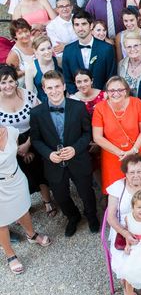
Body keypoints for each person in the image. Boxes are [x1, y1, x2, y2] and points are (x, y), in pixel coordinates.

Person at [30, 70, 98, 237]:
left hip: (78, 159)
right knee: (60, 196)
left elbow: (87, 133)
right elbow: (36, 140)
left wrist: (75, 148)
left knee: (86, 192)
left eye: (57, 86)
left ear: (64, 86)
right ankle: (73, 216)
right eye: (49, 87)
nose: (54, 91)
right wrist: (48, 154)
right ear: (44, 89)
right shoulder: (36, 113)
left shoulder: (79, 107)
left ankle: (91, 216)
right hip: (53, 162)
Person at [0, 65, 55, 216]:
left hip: (33, 136)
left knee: (40, 170)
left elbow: (40, 119)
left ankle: (47, 201)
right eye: (3, 82)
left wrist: (28, 144)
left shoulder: (28, 95)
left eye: (11, 81)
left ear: (16, 81)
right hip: (10, 143)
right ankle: (23, 205)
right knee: (20, 175)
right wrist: (19, 149)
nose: (8, 86)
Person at [0, 123, 52, 275]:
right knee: (2, 221)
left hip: (17, 180)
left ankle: (32, 235)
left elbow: (15, 151)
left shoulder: (11, 132)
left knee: (23, 210)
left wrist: (24, 153)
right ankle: (10, 254)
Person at [92, 76, 141, 192]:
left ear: (126, 90)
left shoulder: (136, 103)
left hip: (138, 151)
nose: (116, 93)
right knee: (118, 191)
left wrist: (133, 150)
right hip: (113, 155)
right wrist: (119, 153)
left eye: (120, 90)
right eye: (112, 90)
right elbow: (97, 137)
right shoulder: (100, 108)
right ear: (106, 92)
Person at [62, 11, 117, 93]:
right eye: (77, 25)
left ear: (91, 26)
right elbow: (68, 79)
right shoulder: (68, 50)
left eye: (84, 24)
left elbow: (111, 76)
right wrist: (77, 97)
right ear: (73, 27)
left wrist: (101, 96)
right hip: (78, 100)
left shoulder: (107, 49)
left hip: (102, 98)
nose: (80, 28)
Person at [117, 31, 141, 97]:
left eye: (136, 45)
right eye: (129, 47)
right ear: (125, 49)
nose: (132, 49)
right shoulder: (121, 65)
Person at [24, 35, 60, 103]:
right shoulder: (31, 68)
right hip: (42, 103)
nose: (47, 52)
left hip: (60, 99)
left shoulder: (58, 61)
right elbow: (29, 93)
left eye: (49, 48)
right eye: (42, 49)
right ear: (35, 51)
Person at [6, 19, 35, 83]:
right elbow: (9, 74)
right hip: (25, 82)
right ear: (15, 36)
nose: (24, 35)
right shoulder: (14, 53)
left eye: (26, 31)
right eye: (20, 33)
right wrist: (26, 71)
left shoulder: (35, 41)